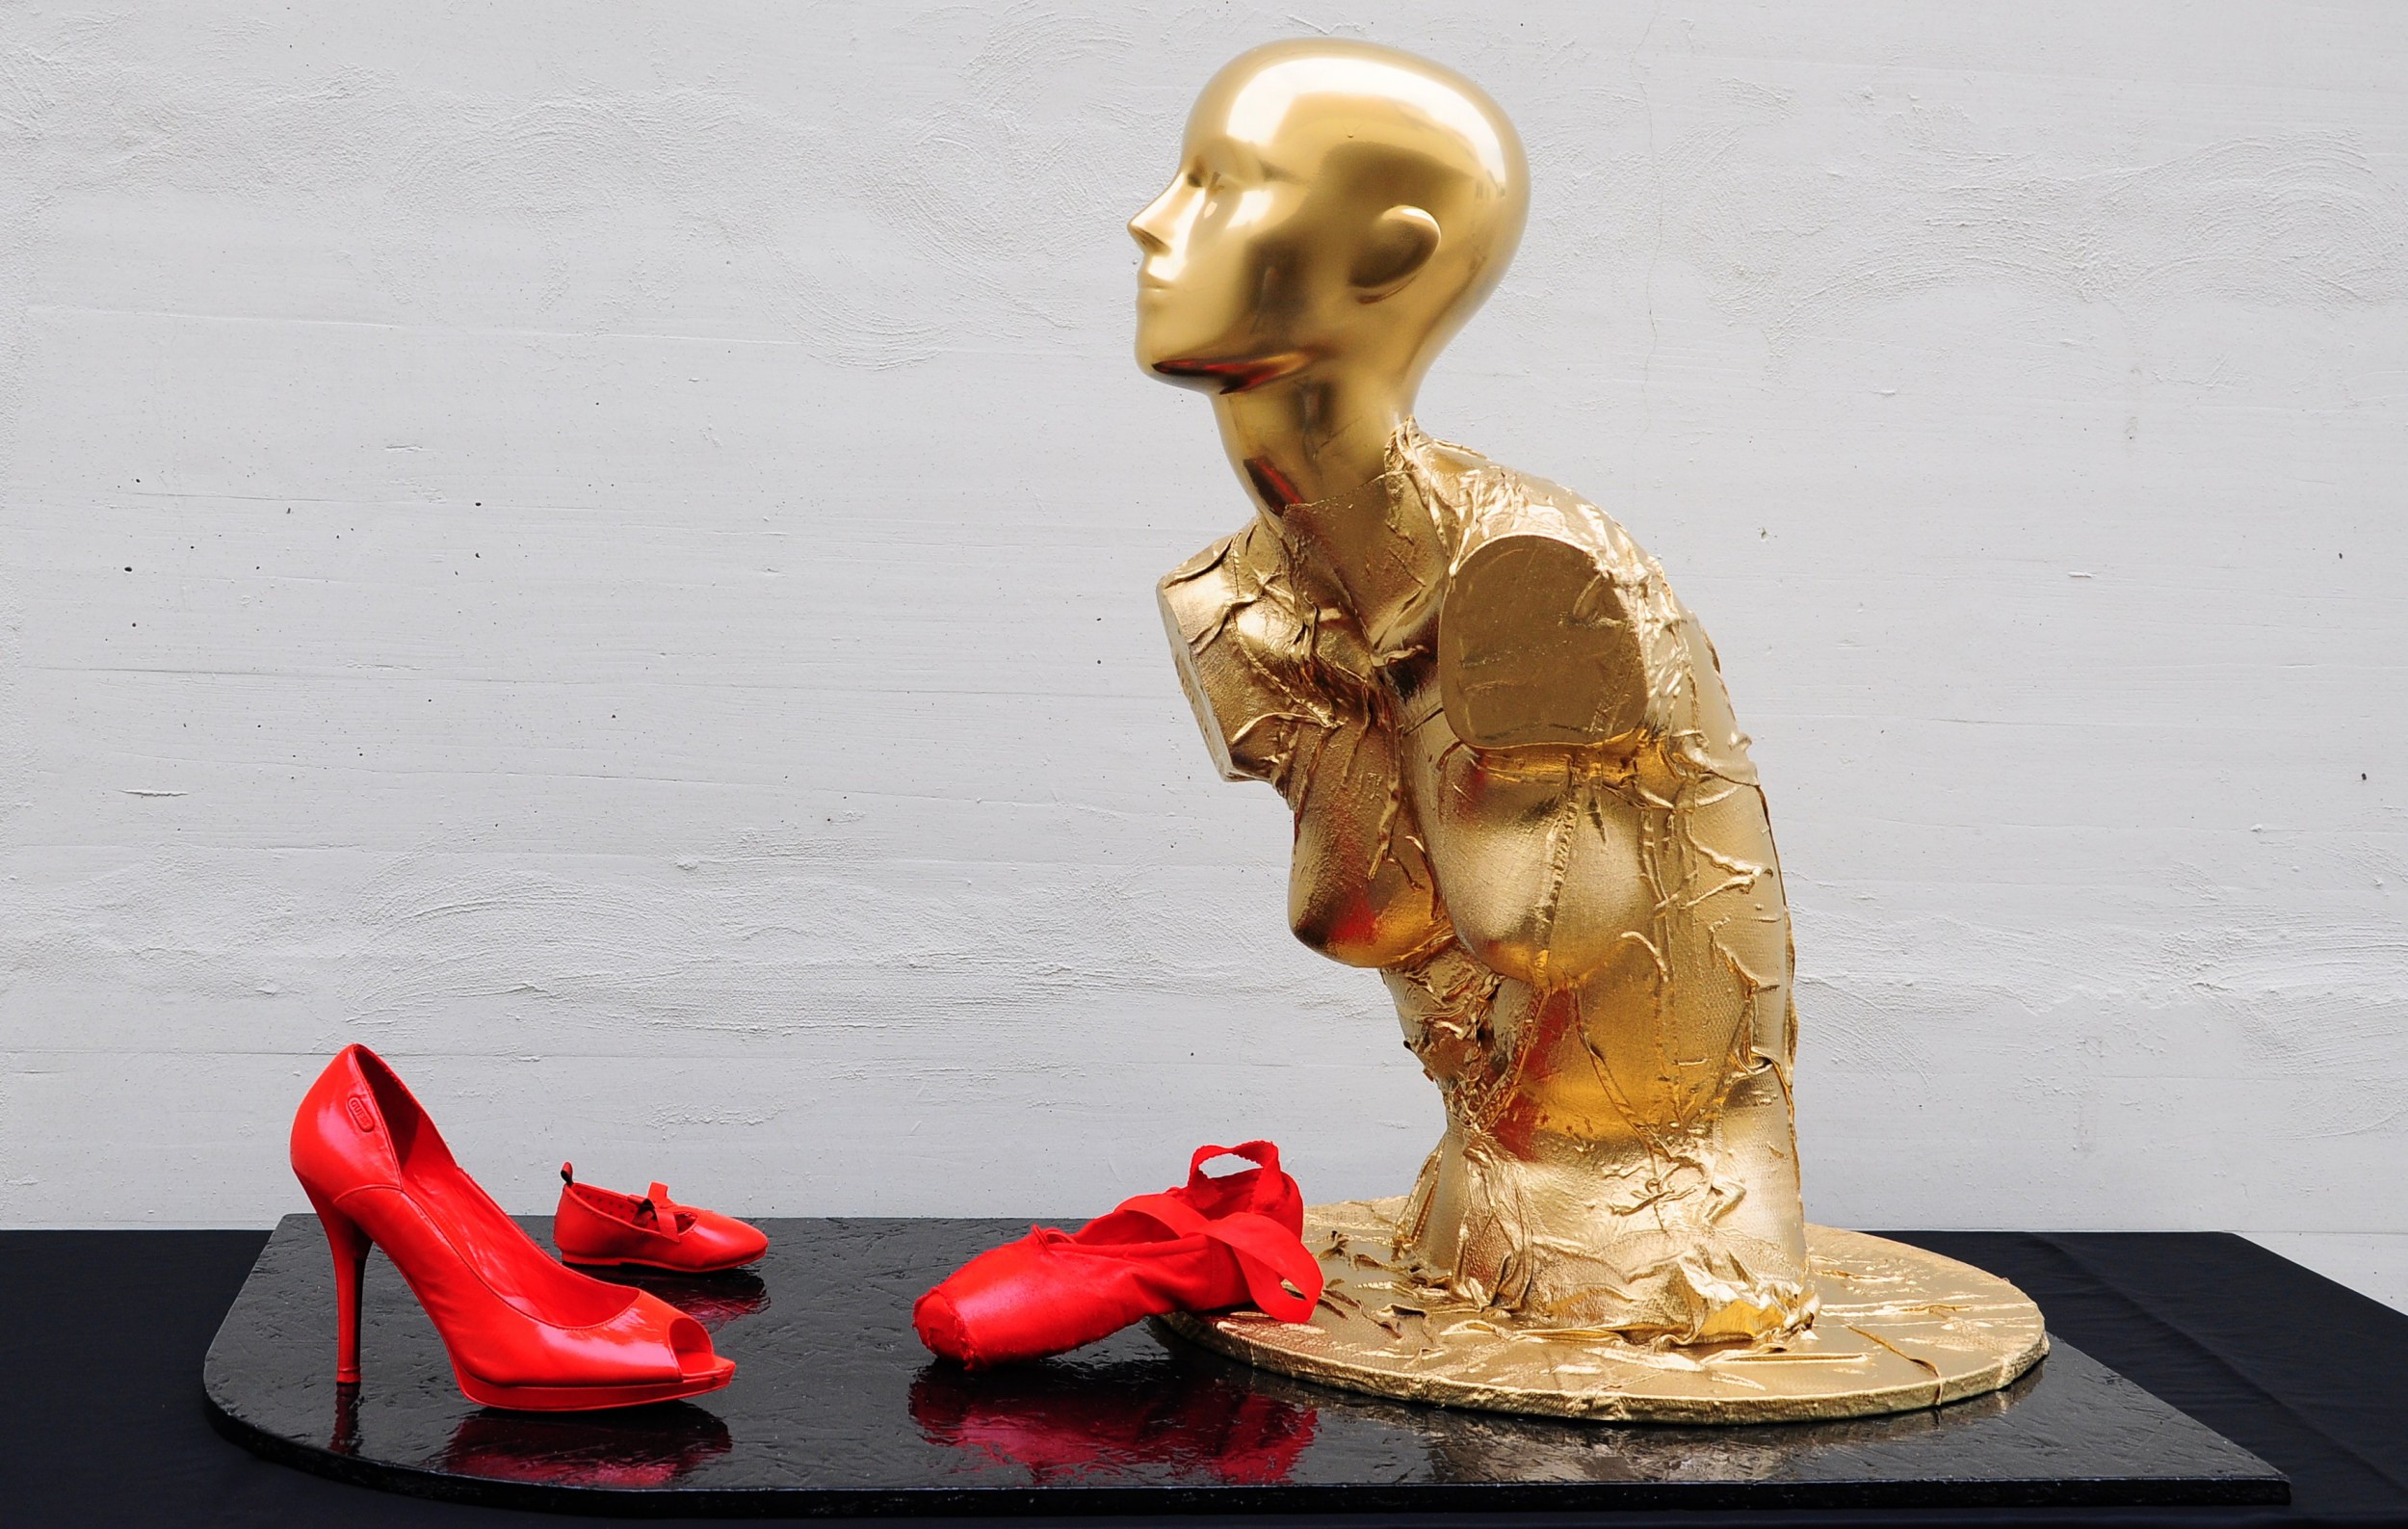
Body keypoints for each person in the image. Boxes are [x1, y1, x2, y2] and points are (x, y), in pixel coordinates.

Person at [1132, 40, 1813, 1342]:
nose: (1152, 221)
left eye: (1218, 184)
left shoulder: (1527, 574)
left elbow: (1538, 933)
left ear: (1385, 257)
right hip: (1473, 1190)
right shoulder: (1247, 592)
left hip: (1657, 1243)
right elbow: (1363, 912)